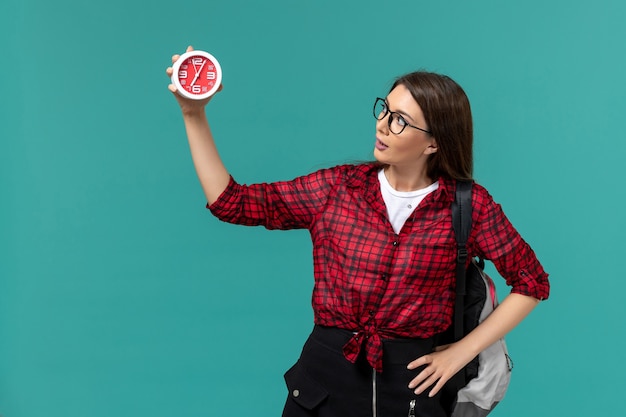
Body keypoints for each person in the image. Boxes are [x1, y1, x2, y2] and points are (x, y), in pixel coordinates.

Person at [166, 46, 550, 417]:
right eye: (385, 109)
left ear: (433, 142)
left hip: (412, 387)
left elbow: (532, 282)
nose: (382, 124)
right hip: (323, 381)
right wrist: (193, 114)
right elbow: (231, 202)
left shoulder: (469, 206)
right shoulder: (337, 188)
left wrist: (460, 352)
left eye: (400, 120)